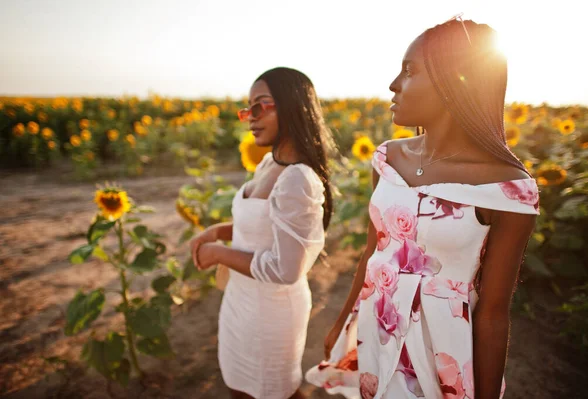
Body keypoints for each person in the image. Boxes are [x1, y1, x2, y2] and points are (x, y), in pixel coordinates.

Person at [306, 17, 539, 399]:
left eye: (409, 70)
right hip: (375, 327)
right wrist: (342, 325)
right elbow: (372, 254)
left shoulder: (507, 188)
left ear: (454, 82)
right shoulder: (387, 158)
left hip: (440, 353)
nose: (393, 84)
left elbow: (494, 313)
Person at [191, 67, 333, 399]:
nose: (250, 117)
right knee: (241, 387)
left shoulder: (297, 178)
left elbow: (286, 269)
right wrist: (217, 232)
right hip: (241, 299)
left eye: (261, 106)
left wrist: (217, 253)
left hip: (270, 310)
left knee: (273, 391)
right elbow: (264, 227)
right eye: (247, 109)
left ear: (293, 105)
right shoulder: (270, 164)